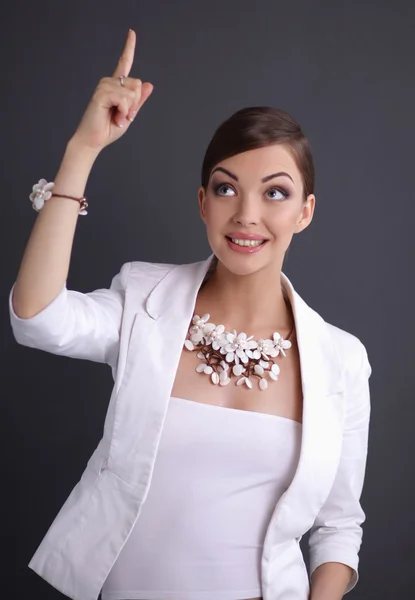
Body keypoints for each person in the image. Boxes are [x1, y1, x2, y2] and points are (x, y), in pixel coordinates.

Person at [9, 28, 372, 600]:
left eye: (275, 194)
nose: (247, 215)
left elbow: (338, 528)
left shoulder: (340, 361)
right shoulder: (143, 300)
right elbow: (37, 318)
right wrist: (83, 149)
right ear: (203, 202)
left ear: (305, 212)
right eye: (227, 189)